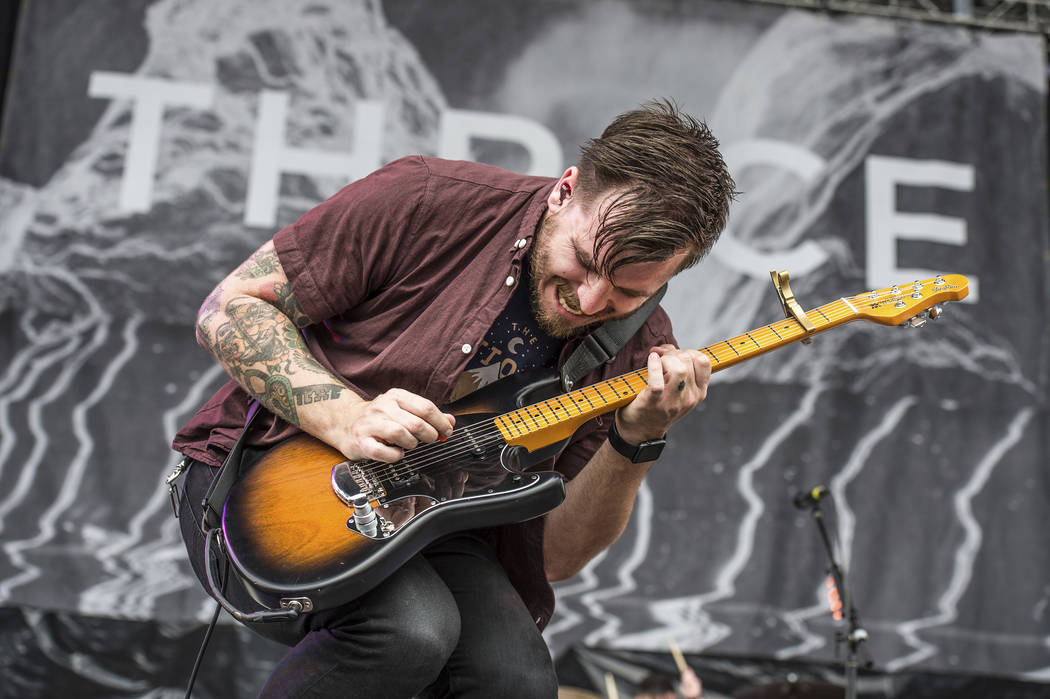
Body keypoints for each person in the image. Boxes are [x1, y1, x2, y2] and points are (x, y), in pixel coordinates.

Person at [171, 98, 735, 698]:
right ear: (565, 191)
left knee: (516, 680)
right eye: (584, 261)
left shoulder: (643, 347)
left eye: (626, 289)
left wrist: (636, 438)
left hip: (439, 528)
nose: (590, 302)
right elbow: (229, 309)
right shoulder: (426, 196)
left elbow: (555, 559)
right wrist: (346, 416)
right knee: (409, 630)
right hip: (271, 476)